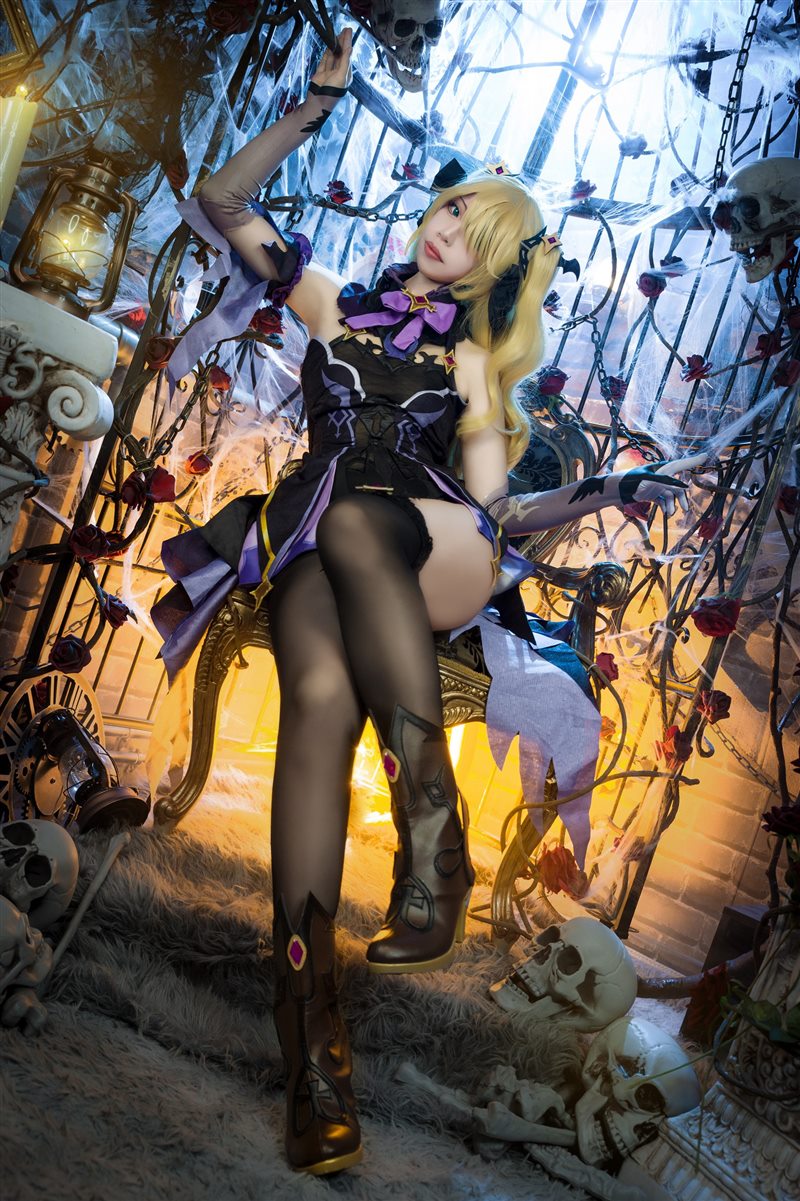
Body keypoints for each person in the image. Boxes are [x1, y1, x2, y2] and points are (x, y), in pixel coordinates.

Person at [152, 28, 693, 1178]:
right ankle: (315, 1055)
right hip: (310, 543)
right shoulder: (331, 304)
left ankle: (431, 834)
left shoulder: (475, 366)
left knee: (364, 519)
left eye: (476, 234)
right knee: (315, 703)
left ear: (493, 271)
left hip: (433, 551)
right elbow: (218, 199)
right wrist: (312, 108)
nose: (446, 229)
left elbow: (497, 512)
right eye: (451, 208)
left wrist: (602, 489)